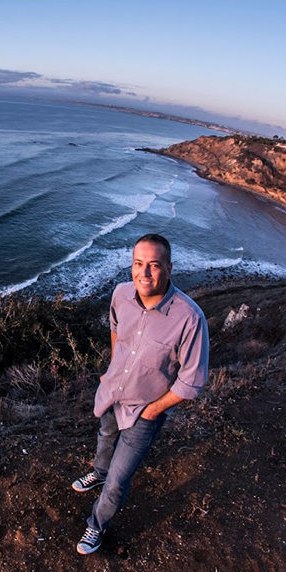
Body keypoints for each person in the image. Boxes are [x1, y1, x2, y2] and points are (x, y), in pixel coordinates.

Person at [73, 233, 209, 555]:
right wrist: (111, 367)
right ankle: (98, 472)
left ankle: (96, 526)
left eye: (154, 265)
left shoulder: (190, 319)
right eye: (138, 264)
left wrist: (153, 409)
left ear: (169, 268)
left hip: (144, 411)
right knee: (105, 436)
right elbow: (115, 326)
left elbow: (192, 381)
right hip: (111, 392)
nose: (144, 274)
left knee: (119, 480)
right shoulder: (121, 293)